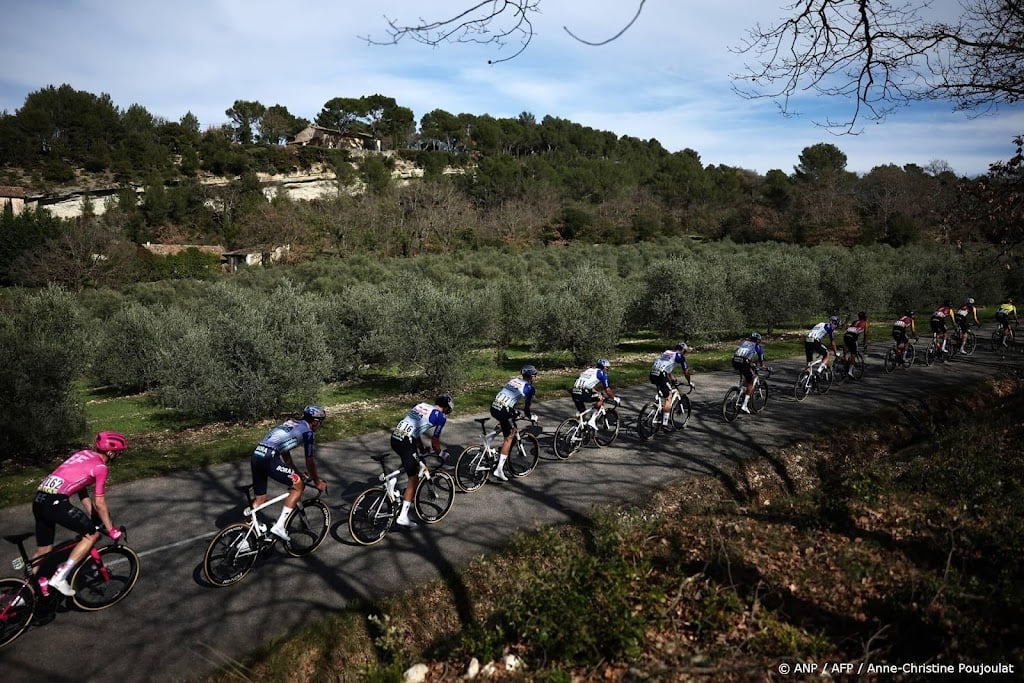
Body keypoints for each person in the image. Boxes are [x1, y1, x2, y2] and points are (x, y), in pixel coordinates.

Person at [31, 432, 128, 597]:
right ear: (111, 453)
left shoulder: (83, 454)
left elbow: (80, 487)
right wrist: (111, 530)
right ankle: (60, 577)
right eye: (119, 452)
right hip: (56, 503)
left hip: (39, 499)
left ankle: (24, 592)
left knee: (44, 550)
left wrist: (91, 513)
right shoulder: (101, 468)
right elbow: (101, 503)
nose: (118, 455)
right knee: (92, 535)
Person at [250, 405, 327, 542]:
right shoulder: (308, 432)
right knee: (298, 485)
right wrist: (317, 482)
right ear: (315, 421)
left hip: (257, 455)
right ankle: (279, 527)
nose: (319, 425)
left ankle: (245, 536)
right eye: (320, 422)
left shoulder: (291, 423)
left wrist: (295, 472)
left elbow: (285, 450)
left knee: (260, 500)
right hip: (269, 458)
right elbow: (309, 461)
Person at [389, 394, 454, 527]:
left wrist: (420, 447)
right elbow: (435, 442)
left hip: (396, 436)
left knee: (410, 460)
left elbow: (415, 428)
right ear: (447, 408)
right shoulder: (440, 417)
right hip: (407, 440)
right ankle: (403, 516)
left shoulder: (421, 405)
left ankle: (393, 480)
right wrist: (441, 454)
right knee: (413, 478)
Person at [489, 365, 539, 482]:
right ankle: (499, 470)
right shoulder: (529, 388)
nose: (535, 377)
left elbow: (509, 397)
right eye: (535, 375)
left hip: (494, 406)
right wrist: (531, 417)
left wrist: (514, 412)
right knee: (509, 437)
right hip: (504, 409)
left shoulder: (513, 380)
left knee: (506, 420)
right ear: (531, 376)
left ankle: (488, 442)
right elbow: (527, 409)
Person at [649, 342, 694, 427]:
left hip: (652, 373)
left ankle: (658, 408)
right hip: (661, 375)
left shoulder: (667, 352)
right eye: (685, 352)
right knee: (669, 397)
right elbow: (686, 372)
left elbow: (666, 367)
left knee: (663, 390)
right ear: (683, 350)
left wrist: (673, 379)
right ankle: (665, 423)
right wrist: (689, 382)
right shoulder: (679, 356)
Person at [571, 359, 620, 428]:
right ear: (604, 367)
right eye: (607, 368)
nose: (607, 370)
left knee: (582, 412)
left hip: (574, 391)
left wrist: (596, 392)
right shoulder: (602, 373)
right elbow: (607, 389)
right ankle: (592, 420)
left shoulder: (589, 370)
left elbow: (586, 384)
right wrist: (614, 398)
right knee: (601, 398)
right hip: (582, 392)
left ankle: (578, 430)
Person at [732, 333, 766, 414]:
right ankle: (744, 405)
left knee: (743, 374)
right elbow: (761, 362)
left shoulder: (744, 343)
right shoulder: (758, 347)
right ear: (758, 340)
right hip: (744, 362)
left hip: (735, 361)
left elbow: (740, 353)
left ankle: (739, 390)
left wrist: (751, 363)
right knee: (751, 381)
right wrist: (764, 367)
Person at [842, 311, 869, 378]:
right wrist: (865, 344)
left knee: (846, 351)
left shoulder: (855, 321)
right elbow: (865, 335)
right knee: (853, 353)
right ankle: (850, 372)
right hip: (852, 337)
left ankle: (844, 363)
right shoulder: (865, 323)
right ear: (865, 317)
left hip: (846, 336)